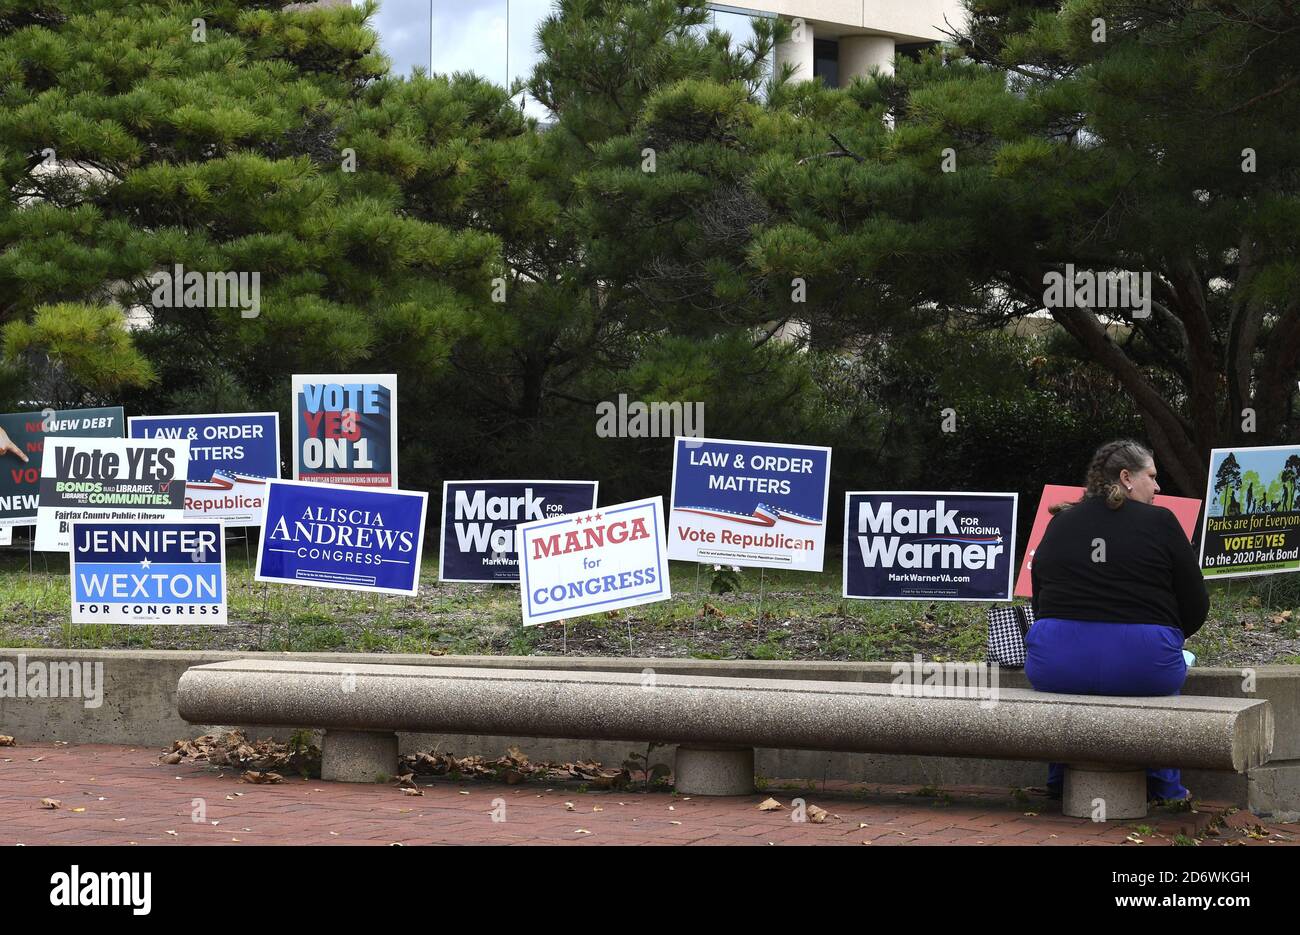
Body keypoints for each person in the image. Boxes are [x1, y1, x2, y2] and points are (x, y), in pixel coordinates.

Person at [1028, 439, 1209, 801]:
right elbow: (1196, 602)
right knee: (1163, 684)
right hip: (1144, 661)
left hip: (1057, 662)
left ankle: (1059, 779)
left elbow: (1041, 596)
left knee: (1076, 687)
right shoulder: (1161, 522)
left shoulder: (1061, 521)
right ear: (1127, 478)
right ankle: (1164, 786)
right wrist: (1168, 636)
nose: (1158, 487)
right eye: (1152, 476)